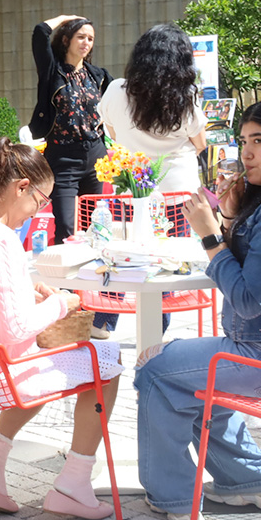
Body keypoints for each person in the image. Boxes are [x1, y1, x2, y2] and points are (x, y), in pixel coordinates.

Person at [0, 139, 124, 519]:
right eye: (40, 201)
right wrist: (61, 303)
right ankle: (74, 482)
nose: (38, 211)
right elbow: (15, 329)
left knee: (47, 361)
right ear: (21, 187)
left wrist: (28, 293)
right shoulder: (0, 238)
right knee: (109, 359)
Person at [135, 100, 261, 520]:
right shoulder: (259, 205)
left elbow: (249, 300)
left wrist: (212, 238)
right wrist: (229, 220)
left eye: (260, 141)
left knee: (156, 372)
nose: (246, 153)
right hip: (248, 345)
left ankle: (173, 496)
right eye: (244, 141)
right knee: (181, 369)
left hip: (255, 353)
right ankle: (249, 479)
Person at [90, 24, 207, 338]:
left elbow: (112, 134)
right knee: (166, 258)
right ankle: (159, 323)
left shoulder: (116, 90)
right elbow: (200, 143)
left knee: (120, 252)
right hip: (176, 193)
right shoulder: (186, 97)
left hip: (130, 188)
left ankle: (103, 320)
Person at [28, 14, 113, 244]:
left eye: (91, 39)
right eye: (81, 37)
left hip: (96, 155)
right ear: (66, 40)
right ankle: (64, 280)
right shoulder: (52, 72)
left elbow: (118, 102)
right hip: (63, 157)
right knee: (66, 224)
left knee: (94, 224)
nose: (86, 42)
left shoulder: (98, 76)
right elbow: (39, 32)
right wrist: (67, 18)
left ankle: (90, 276)